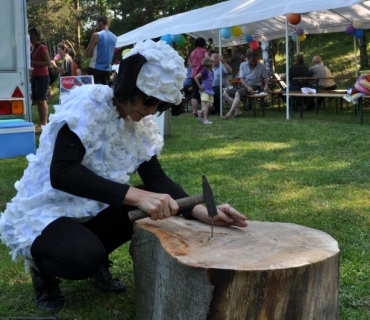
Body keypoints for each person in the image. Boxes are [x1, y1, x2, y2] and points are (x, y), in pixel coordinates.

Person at [0, 40, 247, 314]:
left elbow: (156, 178)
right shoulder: (87, 105)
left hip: (94, 205)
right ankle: (43, 272)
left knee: (152, 201)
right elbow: (63, 174)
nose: (153, 110)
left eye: (160, 105)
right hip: (47, 211)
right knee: (85, 256)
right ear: (130, 84)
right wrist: (138, 196)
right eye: (150, 100)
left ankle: (97, 253)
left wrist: (199, 210)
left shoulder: (139, 121)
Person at [222, 51, 270, 119]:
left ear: (257, 59)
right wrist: (247, 87)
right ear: (247, 59)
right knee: (224, 93)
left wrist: (266, 85)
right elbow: (241, 78)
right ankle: (237, 110)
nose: (253, 63)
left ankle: (229, 113)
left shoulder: (261, 66)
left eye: (255, 61)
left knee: (238, 93)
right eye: (251, 62)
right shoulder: (243, 65)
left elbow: (266, 78)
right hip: (244, 85)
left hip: (255, 86)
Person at [28, 27, 51, 131]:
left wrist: (33, 63)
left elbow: (48, 62)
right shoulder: (33, 48)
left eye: (32, 35)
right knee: (37, 100)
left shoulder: (41, 47)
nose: (31, 37)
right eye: (30, 35)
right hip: (35, 76)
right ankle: (41, 122)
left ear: (37, 36)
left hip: (42, 76)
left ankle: (44, 123)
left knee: (42, 100)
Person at [86, 16, 117, 85]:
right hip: (107, 69)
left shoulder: (96, 35)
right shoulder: (115, 37)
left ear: (100, 22)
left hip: (95, 68)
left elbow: (87, 54)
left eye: (98, 23)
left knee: (95, 92)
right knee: (105, 92)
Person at [190, 37, 207, 117]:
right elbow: (207, 60)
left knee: (194, 94)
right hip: (201, 75)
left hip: (193, 75)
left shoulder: (192, 52)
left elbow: (191, 64)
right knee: (204, 93)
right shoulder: (204, 51)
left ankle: (194, 111)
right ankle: (204, 111)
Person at [194, 57, 215, 124]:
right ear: (209, 63)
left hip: (210, 90)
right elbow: (196, 77)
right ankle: (205, 120)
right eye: (212, 62)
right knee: (206, 105)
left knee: (210, 105)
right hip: (204, 90)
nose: (213, 64)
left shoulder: (211, 71)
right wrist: (200, 86)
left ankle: (200, 112)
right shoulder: (204, 71)